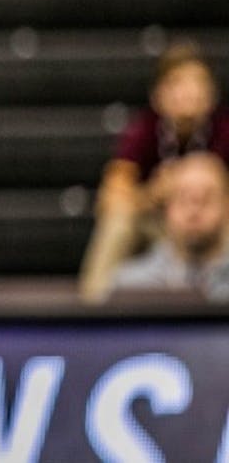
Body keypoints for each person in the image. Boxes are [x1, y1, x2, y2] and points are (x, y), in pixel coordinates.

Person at [79, 41, 229, 301]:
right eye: (177, 84)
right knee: (118, 221)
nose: (188, 94)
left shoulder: (224, 130)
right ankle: (95, 309)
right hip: (160, 223)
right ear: (159, 95)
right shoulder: (143, 131)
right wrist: (154, 194)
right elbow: (110, 198)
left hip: (212, 226)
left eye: (197, 84)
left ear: (211, 93)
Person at [110, 151, 229, 301]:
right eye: (183, 198)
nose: (193, 211)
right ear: (167, 209)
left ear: (226, 207)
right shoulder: (131, 286)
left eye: (206, 199)